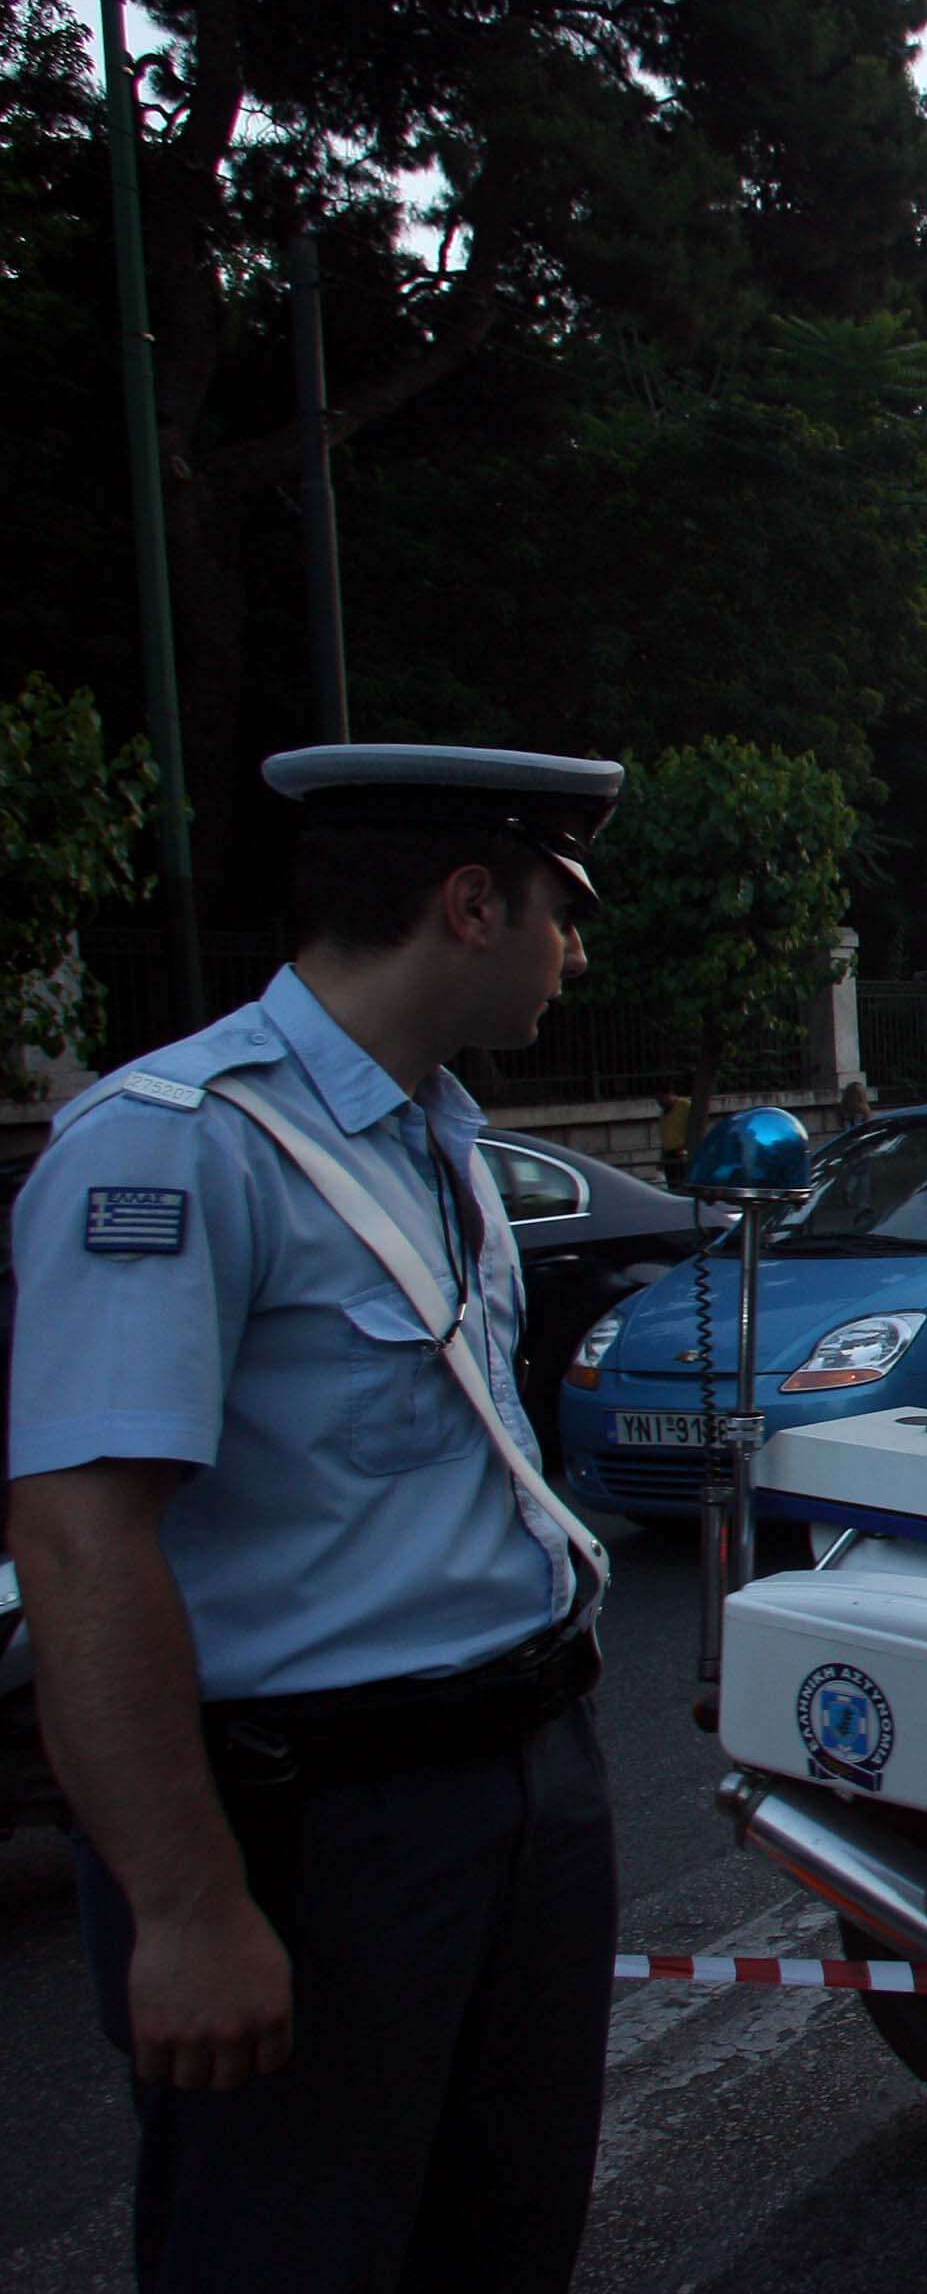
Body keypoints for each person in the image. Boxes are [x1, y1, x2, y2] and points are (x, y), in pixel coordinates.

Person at [9, 744, 625, 2293]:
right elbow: (82, 1542)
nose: (579, 950)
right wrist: (187, 1903)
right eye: (566, 909)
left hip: (521, 1782)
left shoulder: (443, 1137)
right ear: (471, 905)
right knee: (293, 2242)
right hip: (323, 1824)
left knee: (502, 2232)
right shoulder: (177, 1142)